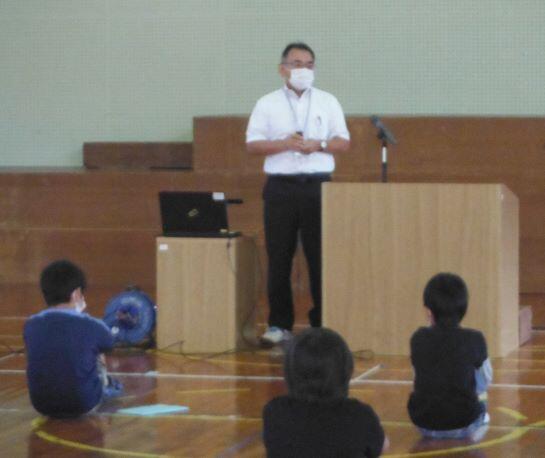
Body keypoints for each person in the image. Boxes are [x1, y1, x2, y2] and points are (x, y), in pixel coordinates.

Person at [246, 42, 350, 346]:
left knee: (320, 257)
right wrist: (285, 144)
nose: (303, 69)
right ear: (283, 69)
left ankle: (321, 323)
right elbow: (253, 144)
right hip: (281, 188)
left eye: (309, 64)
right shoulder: (267, 103)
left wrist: (319, 144)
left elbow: (343, 141)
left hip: (318, 187)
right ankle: (279, 324)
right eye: (296, 64)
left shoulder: (328, 101)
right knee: (279, 257)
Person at [263, 327, 387, 457]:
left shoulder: (275, 410)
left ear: (290, 370)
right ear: (345, 369)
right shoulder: (360, 414)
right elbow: (381, 447)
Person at [24, 259, 122, 418]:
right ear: (77, 294)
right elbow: (109, 343)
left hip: (41, 404)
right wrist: (80, 315)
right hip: (84, 403)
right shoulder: (92, 324)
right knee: (98, 354)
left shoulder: (31, 324)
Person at [408, 272, 493, 440]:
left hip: (423, 424)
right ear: (464, 308)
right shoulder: (475, 339)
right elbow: (486, 380)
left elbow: (417, 377)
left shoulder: (417, 338)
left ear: (428, 311)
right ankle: (474, 434)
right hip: (466, 423)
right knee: (481, 391)